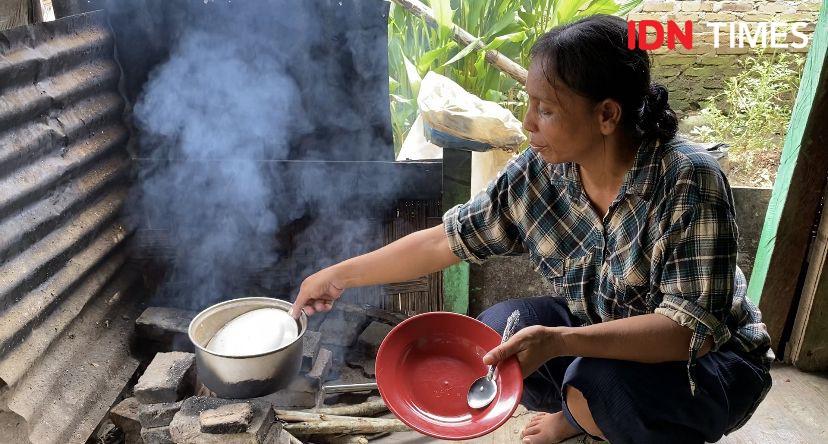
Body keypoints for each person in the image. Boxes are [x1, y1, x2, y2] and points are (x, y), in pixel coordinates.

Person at [290, 14, 772, 444]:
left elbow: (688, 334)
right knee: (495, 332)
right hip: (605, 325)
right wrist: (339, 275)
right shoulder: (541, 172)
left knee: (598, 383)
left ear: (607, 114)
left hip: (713, 363)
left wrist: (561, 342)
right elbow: (446, 239)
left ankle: (584, 416)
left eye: (545, 109)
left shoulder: (689, 180)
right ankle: (586, 409)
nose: (527, 123)